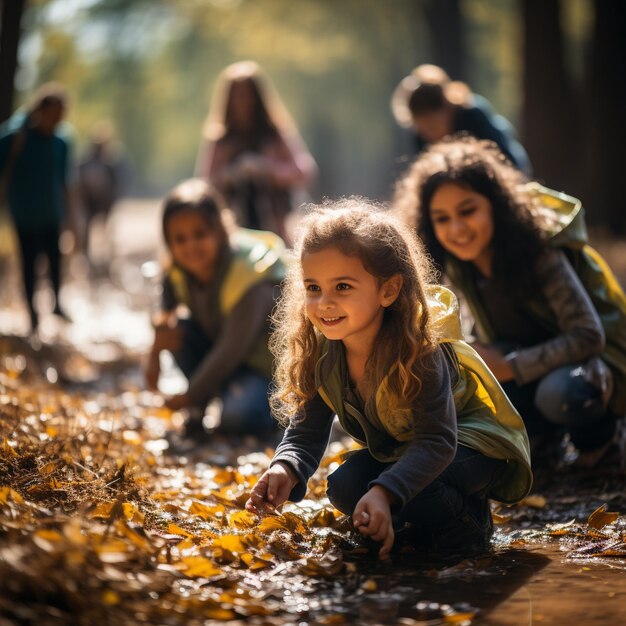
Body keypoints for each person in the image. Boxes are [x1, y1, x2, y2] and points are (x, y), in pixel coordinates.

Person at [246, 200, 531, 559]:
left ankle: (469, 528)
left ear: (389, 290)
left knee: (418, 487)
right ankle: (411, 526)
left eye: (343, 287)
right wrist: (284, 468)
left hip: (471, 448)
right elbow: (306, 431)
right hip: (409, 452)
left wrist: (385, 492)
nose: (324, 303)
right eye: (313, 287)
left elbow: (437, 441)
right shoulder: (323, 352)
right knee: (345, 488)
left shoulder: (419, 350)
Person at [394, 137, 626, 469]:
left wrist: (510, 366)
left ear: (496, 205)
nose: (456, 228)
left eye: (468, 211)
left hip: (590, 364)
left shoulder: (540, 253)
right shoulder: (458, 264)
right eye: (441, 219)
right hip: (529, 364)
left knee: (559, 393)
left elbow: (589, 336)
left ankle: (602, 441)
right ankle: (542, 441)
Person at [145, 177, 286, 440]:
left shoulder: (249, 274)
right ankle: (202, 406)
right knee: (179, 329)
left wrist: (188, 396)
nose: (190, 246)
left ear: (220, 231)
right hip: (229, 363)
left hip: (266, 370)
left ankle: (283, 409)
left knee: (239, 418)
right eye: (180, 239)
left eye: (200, 234)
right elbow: (162, 325)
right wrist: (154, 356)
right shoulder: (176, 273)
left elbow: (230, 349)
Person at [195, 60, 317, 244]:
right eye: (237, 95)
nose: (243, 101)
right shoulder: (220, 140)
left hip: (276, 231)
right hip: (233, 235)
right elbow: (204, 184)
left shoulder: (275, 135)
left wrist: (266, 169)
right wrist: (229, 175)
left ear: (258, 98)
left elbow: (304, 171)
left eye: (247, 95)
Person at [0, 83, 73, 332]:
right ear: (40, 111)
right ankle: (32, 312)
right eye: (53, 114)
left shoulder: (62, 142)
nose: (57, 120)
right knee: (29, 263)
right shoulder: (16, 137)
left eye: (61, 116)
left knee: (55, 259)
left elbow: (65, 180)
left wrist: (71, 215)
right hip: (24, 213)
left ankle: (56, 304)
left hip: (52, 213)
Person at [391, 64, 531, 174]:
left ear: (448, 110)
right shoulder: (420, 138)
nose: (429, 135)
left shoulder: (473, 115)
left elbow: (508, 162)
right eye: (422, 129)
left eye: (433, 127)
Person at [78, 120, 128, 266]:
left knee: (106, 230)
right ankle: (87, 258)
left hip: (105, 202)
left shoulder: (111, 161)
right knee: (88, 229)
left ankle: (107, 257)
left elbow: (118, 180)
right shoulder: (86, 161)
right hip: (89, 202)